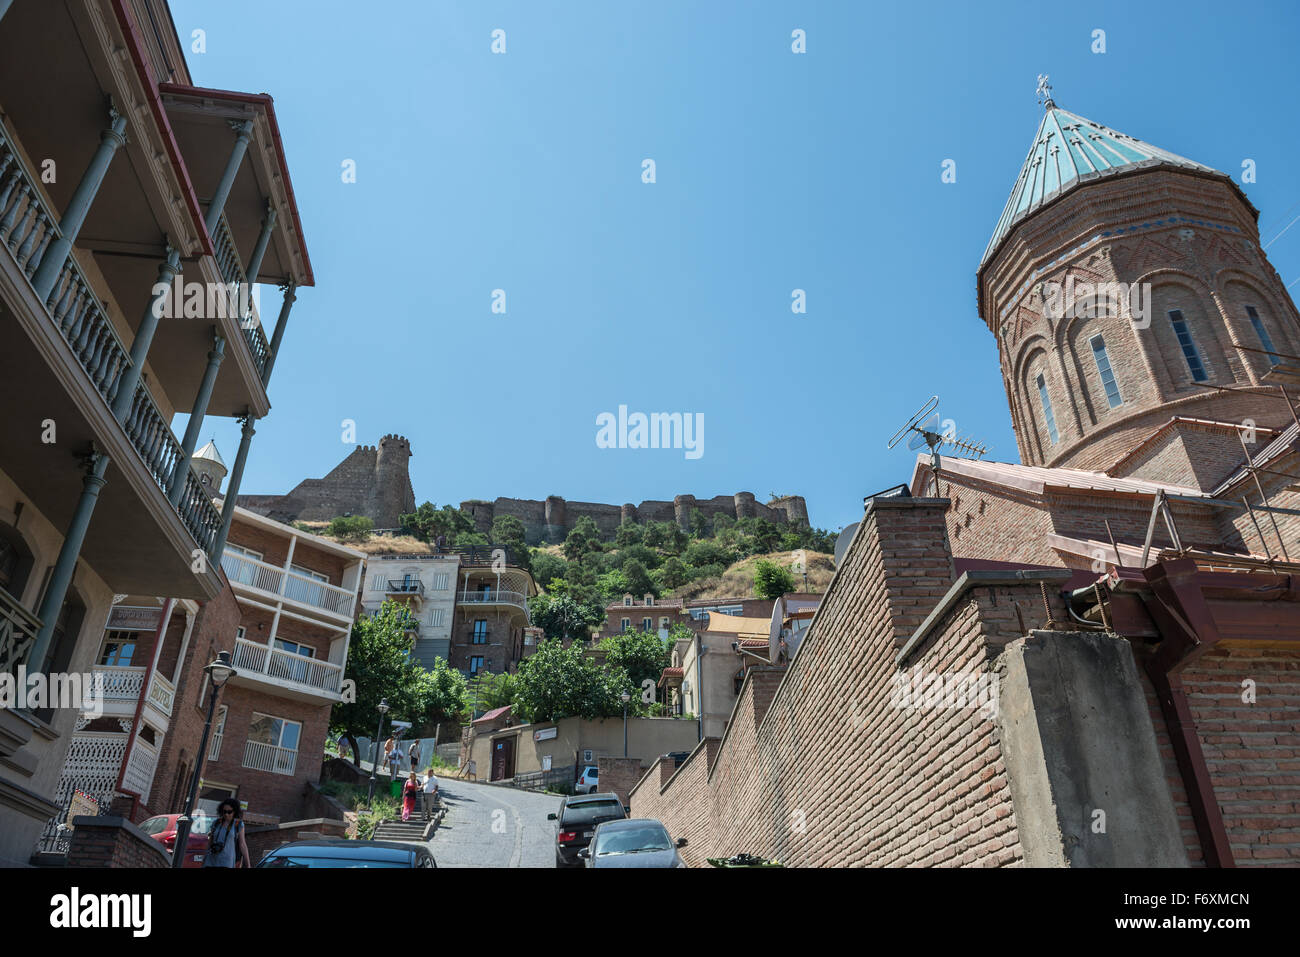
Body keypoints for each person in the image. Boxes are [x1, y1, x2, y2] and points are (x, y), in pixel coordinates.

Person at [202, 800, 250, 868]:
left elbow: (242, 844)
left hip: (227, 862)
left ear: (234, 811)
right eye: (224, 811)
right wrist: (204, 857)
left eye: (229, 812)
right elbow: (210, 841)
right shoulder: (216, 823)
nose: (226, 814)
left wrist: (248, 864)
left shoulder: (238, 824)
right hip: (211, 860)